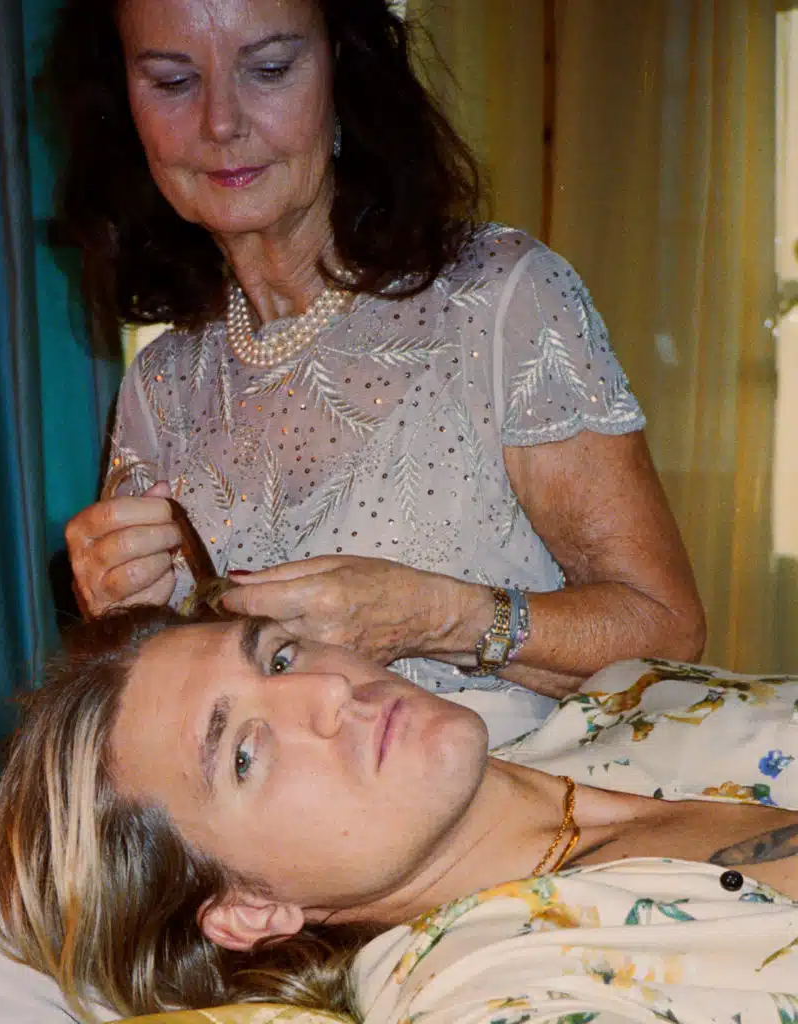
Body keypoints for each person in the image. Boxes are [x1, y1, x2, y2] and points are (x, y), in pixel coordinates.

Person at [56, 0, 705, 746]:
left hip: (526, 805)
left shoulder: (501, 300)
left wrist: (435, 617)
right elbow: (168, 744)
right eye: (173, 82)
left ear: (344, 71)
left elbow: (668, 632)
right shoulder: (159, 385)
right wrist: (117, 621)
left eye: (269, 69)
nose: (220, 123)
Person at [0, 607, 798, 1024]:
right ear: (249, 907)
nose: (326, 688)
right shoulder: (494, 984)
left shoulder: (623, 698)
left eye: (278, 656)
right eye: (244, 753)